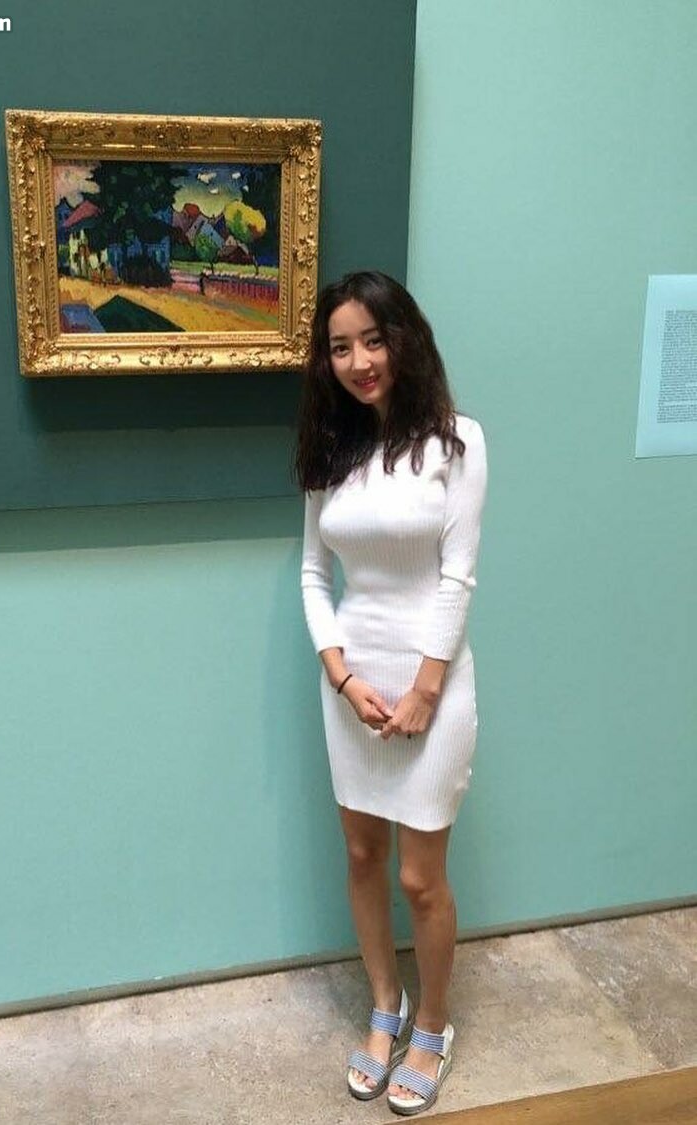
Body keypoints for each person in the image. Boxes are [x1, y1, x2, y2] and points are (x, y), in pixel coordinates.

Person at [296, 271, 487, 1116]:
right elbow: (313, 576)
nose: (359, 361)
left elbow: (458, 576)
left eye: (374, 340)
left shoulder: (457, 442)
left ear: (405, 339)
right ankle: (386, 1004)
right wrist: (343, 676)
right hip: (352, 684)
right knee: (362, 855)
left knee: (419, 877)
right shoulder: (328, 452)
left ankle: (433, 1024)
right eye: (340, 347)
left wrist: (423, 691)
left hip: (430, 682)